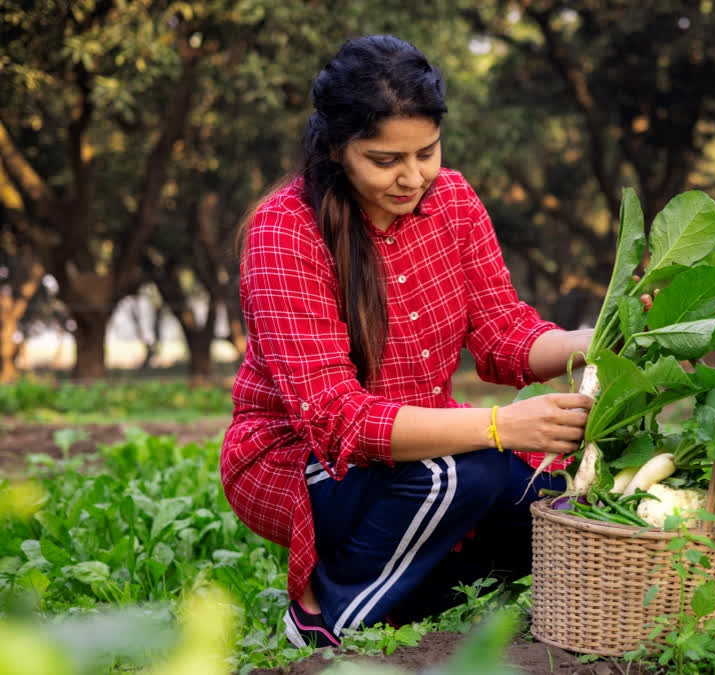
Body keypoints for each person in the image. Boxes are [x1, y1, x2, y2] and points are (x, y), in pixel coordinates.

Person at [220, 35, 633, 648]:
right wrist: (500, 429)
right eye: (385, 159)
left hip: (424, 448)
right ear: (337, 149)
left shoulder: (455, 201)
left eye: (427, 152)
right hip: (300, 461)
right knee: (464, 477)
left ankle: (408, 595)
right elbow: (340, 423)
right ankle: (327, 614)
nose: (412, 177)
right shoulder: (287, 229)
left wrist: (600, 338)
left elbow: (504, 336)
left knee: (555, 500)